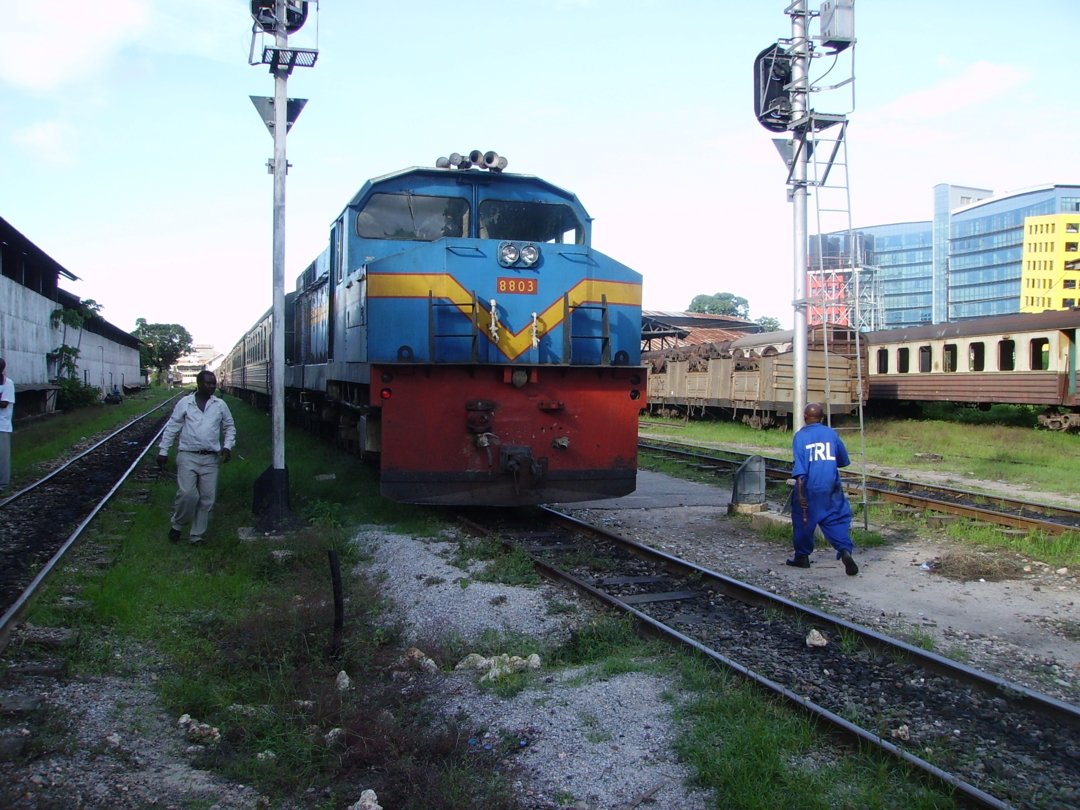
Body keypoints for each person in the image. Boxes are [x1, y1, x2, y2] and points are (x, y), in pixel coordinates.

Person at [157, 369, 236, 545]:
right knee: (188, 495)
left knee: (207, 499)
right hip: (188, 456)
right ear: (199, 384)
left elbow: (229, 426)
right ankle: (177, 525)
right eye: (208, 383)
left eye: (213, 383)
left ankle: (196, 536)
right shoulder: (185, 403)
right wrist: (163, 451)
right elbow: (172, 427)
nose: (212, 386)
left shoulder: (220, 405)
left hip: (211, 459)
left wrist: (227, 446)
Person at [787, 401, 859, 575]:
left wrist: (802, 495)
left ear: (805, 417)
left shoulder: (800, 436)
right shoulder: (831, 434)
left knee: (803, 521)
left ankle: (802, 557)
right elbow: (843, 461)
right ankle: (844, 550)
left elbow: (801, 469)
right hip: (831, 486)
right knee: (835, 519)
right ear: (822, 418)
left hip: (810, 486)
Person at [0, 358, 14, 492]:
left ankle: (3, 484)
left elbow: (4, 403)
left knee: (2, 456)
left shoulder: (8, 383)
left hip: (2, 425)